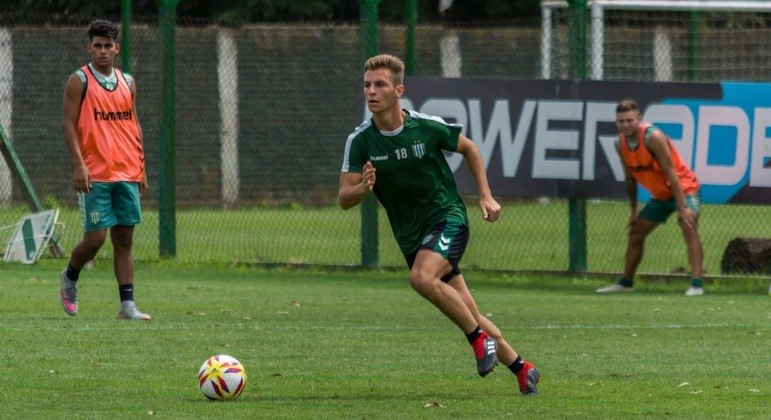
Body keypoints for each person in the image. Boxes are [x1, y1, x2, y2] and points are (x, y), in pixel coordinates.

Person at [338, 54, 540, 394]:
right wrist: (363, 187)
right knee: (470, 310)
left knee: (421, 278)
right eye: (367, 85)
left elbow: (470, 148)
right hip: (412, 239)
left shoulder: (424, 127)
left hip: (448, 218)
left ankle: (478, 342)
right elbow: (344, 197)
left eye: (380, 85)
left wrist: (485, 196)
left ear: (398, 90)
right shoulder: (360, 141)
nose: (371, 91)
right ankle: (523, 368)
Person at [60, 20, 151, 320]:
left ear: (116, 48)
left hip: (126, 171)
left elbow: (134, 124)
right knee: (96, 239)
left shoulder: (128, 82)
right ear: (89, 47)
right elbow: (69, 125)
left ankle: (128, 306)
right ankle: (70, 276)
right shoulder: (79, 80)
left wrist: (141, 168)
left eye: (107, 46)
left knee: (124, 238)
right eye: (96, 45)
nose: (102, 51)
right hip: (95, 173)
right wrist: (79, 165)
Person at [597, 99, 705, 296]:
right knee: (636, 232)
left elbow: (671, 173)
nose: (626, 125)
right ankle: (626, 282)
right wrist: (633, 211)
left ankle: (696, 284)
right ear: (616, 122)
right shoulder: (619, 143)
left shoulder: (653, 137)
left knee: (688, 225)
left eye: (630, 120)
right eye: (621, 121)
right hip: (662, 195)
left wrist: (682, 208)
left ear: (639, 119)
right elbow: (630, 179)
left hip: (684, 188)